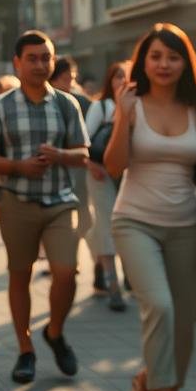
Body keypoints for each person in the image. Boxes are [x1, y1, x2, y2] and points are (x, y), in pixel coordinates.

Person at [104, 24, 196, 391]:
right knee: (160, 307)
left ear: (185, 62)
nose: (164, 64)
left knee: (185, 323)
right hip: (134, 221)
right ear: (144, 61)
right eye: (155, 56)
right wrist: (123, 117)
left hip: (187, 226)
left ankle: (147, 382)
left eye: (173, 57)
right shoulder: (133, 105)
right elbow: (113, 166)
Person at [0, 30, 89, 384]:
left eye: (47, 58)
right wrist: (17, 167)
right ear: (18, 63)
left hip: (60, 201)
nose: (41, 64)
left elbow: (83, 154)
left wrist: (61, 155)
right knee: (19, 274)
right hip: (17, 201)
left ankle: (54, 332)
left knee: (67, 273)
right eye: (33, 58)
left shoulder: (66, 104)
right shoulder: (0, 107)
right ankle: (25, 350)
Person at [83, 60, 128, 312]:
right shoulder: (100, 106)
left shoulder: (138, 105)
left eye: (126, 77)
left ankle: (101, 266)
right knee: (107, 223)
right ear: (109, 81)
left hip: (127, 175)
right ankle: (114, 287)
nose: (122, 81)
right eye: (117, 77)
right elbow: (85, 139)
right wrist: (91, 165)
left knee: (118, 225)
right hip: (99, 172)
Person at [51, 57, 95, 294]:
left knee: (83, 215)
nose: (69, 83)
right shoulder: (46, 102)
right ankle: (64, 258)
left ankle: (93, 260)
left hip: (77, 169)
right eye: (64, 78)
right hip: (52, 175)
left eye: (72, 78)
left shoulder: (79, 102)